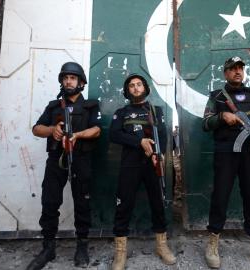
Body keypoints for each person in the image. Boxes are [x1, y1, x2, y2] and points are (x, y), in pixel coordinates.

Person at [201, 56, 250, 270]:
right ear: (225, 73)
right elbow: (206, 122)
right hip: (226, 152)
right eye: (233, 69)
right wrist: (222, 117)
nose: (237, 72)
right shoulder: (217, 97)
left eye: (240, 68)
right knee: (220, 195)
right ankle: (213, 243)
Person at [27, 62, 101, 270]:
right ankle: (48, 248)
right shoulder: (53, 106)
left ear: (81, 82)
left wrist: (77, 135)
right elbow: (36, 129)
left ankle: (82, 246)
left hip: (81, 158)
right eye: (65, 78)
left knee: (82, 202)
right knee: (50, 201)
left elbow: (96, 130)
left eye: (73, 78)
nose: (68, 81)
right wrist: (52, 131)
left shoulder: (90, 106)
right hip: (56, 159)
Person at [109, 74, 176, 270]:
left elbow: (162, 134)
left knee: (158, 204)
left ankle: (161, 246)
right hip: (130, 165)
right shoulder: (122, 112)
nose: (136, 88)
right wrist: (139, 142)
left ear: (145, 88)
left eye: (139, 84)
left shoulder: (156, 111)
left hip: (152, 164)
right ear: (127, 90)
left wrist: (159, 154)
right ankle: (120, 253)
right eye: (132, 85)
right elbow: (114, 134)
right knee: (123, 206)